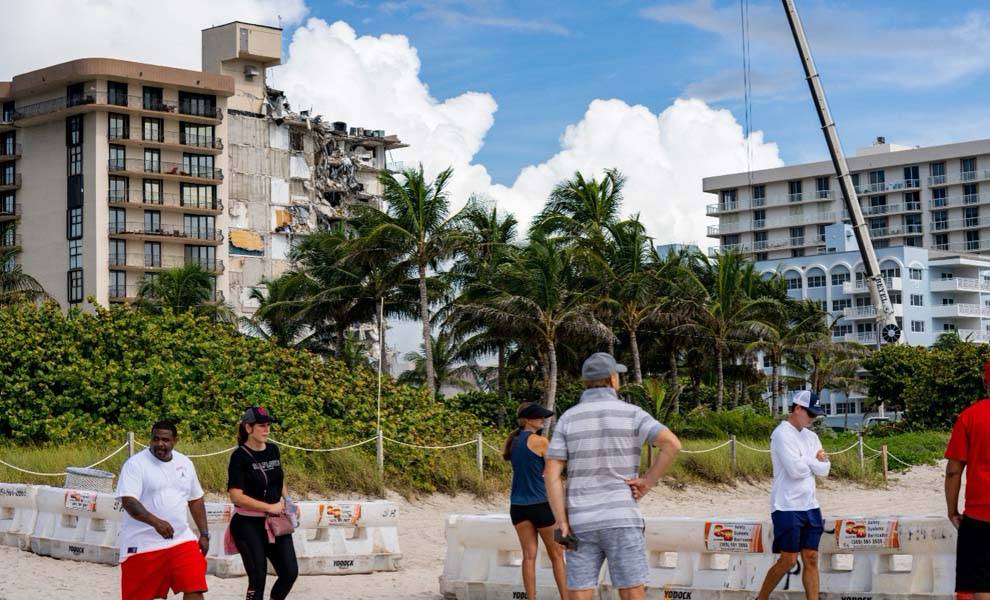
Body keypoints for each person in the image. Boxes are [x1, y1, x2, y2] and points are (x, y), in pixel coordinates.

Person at [545, 352, 682, 600]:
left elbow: (551, 474)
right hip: (621, 518)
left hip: (579, 520)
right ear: (612, 379)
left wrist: (561, 521)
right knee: (631, 590)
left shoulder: (568, 418)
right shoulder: (632, 413)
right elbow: (672, 444)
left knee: (578, 591)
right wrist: (647, 482)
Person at [116, 420, 210, 600]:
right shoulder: (135, 464)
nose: (160, 444)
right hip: (143, 544)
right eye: (155, 439)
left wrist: (204, 533)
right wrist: (156, 522)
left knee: (195, 587)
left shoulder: (185, 463)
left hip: (181, 540)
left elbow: (196, 499)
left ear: (175, 440)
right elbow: (128, 501)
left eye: (165, 440)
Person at [756, 390, 830, 600]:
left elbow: (825, 469)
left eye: (815, 415)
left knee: (812, 557)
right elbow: (795, 471)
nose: (813, 419)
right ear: (797, 408)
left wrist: (807, 461)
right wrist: (814, 462)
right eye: (810, 413)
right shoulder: (781, 434)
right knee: (788, 559)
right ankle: (760, 598)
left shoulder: (812, 436)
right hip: (786, 506)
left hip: (811, 505)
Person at [227, 406, 298, 600]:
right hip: (247, 523)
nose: (266, 429)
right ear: (248, 428)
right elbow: (236, 496)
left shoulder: (273, 450)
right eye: (261, 426)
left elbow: (278, 478)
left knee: (290, 572)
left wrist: (288, 501)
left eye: (268, 425)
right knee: (257, 579)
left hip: (277, 521)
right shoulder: (239, 456)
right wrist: (269, 507)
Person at [502, 402, 569, 600]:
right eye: (539, 417)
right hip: (541, 505)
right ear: (528, 420)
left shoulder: (512, 442)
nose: (543, 419)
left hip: (518, 507)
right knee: (557, 556)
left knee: (528, 557)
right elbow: (554, 471)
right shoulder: (541, 442)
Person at [944, 359, 990, 599]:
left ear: (985, 382)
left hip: (980, 516)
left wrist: (952, 510)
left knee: (981, 584)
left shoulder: (970, 416)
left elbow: (953, 470)